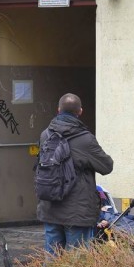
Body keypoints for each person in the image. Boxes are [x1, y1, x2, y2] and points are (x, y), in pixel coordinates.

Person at [36, 93, 113, 254]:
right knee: (77, 265)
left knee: (52, 263)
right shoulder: (85, 139)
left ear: (58, 110)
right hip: (77, 213)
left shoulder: (45, 135)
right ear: (80, 111)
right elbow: (106, 166)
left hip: (50, 209)